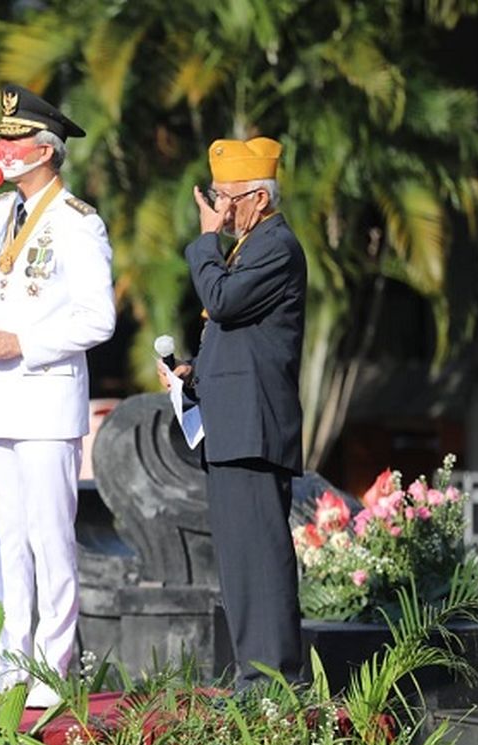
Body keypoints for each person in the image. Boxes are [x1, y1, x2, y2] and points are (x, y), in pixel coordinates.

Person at [0, 84, 116, 707]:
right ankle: (11, 654)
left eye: (15, 139)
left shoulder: (78, 222)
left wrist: (22, 342)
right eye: (2, 138)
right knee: (2, 535)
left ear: (45, 150)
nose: (3, 148)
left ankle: (55, 663)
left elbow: (97, 318)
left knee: (50, 537)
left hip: (45, 399)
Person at [162, 136, 307, 689]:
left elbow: (222, 302)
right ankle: (254, 674)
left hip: (254, 427)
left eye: (228, 197)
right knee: (240, 563)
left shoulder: (275, 245)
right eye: (217, 197)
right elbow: (243, 336)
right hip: (232, 424)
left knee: (260, 559)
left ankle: (273, 681)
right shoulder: (250, 243)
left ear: (260, 199)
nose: (220, 208)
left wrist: (203, 239)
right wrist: (194, 373)